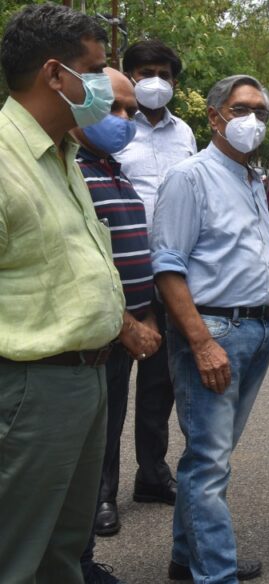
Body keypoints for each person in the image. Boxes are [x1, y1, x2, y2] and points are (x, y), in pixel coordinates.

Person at [0, 5, 125, 583]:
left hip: (85, 379)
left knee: (63, 548)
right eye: (96, 70)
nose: (103, 85)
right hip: (32, 389)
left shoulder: (62, 155)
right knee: (17, 552)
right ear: (56, 74)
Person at [151, 74, 269, 583]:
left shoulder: (253, 179)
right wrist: (202, 342)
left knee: (213, 457)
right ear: (214, 116)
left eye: (261, 112)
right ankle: (216, 574)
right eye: (241, 109)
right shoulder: (191, 177)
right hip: (215, 333)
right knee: (208, 464)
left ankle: (190, 561)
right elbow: (167, 267)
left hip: (258, 330)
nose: (253, 121)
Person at [74, 66, 162, 584]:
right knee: (82, 452)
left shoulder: (112, 167)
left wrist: (145, 309)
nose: (126, 120)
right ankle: (78, 552)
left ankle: (81, 558)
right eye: (115, 108)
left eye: (130, 111)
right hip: (98, 335)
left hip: (129, 326)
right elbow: (82, 264)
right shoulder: (72, 170)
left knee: (104, 435)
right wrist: (127, 320)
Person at [114, 39, 198, 511]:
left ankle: (151, 474)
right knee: (110, 388)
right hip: (120, 275)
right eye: (145, 72)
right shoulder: (112, 129)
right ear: (127, 76)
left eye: (164, 74)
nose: (155, 82)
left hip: (169, 273)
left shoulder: (185, 133)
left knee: (159, 386)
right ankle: (103, 493)